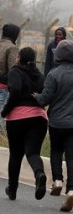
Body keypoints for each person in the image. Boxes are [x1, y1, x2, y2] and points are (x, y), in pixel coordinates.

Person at [0, 47, 48, 201]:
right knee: (33, 153)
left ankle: (12, 190)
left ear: (20, 57)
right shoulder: (39, 75)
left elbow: (14, 91)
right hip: (39, 118)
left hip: (18, 118)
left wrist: (5, 111)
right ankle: (39, 174)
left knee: (15, 154)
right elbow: (44, 94)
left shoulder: (15, 71)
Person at [34, 39, 73, 212]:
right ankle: (71, 190)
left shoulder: (54, 73)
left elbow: (45, 99)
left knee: (56, 151)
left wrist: (35, 96)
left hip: (57, 122)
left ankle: (57, 180)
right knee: (72, 157)